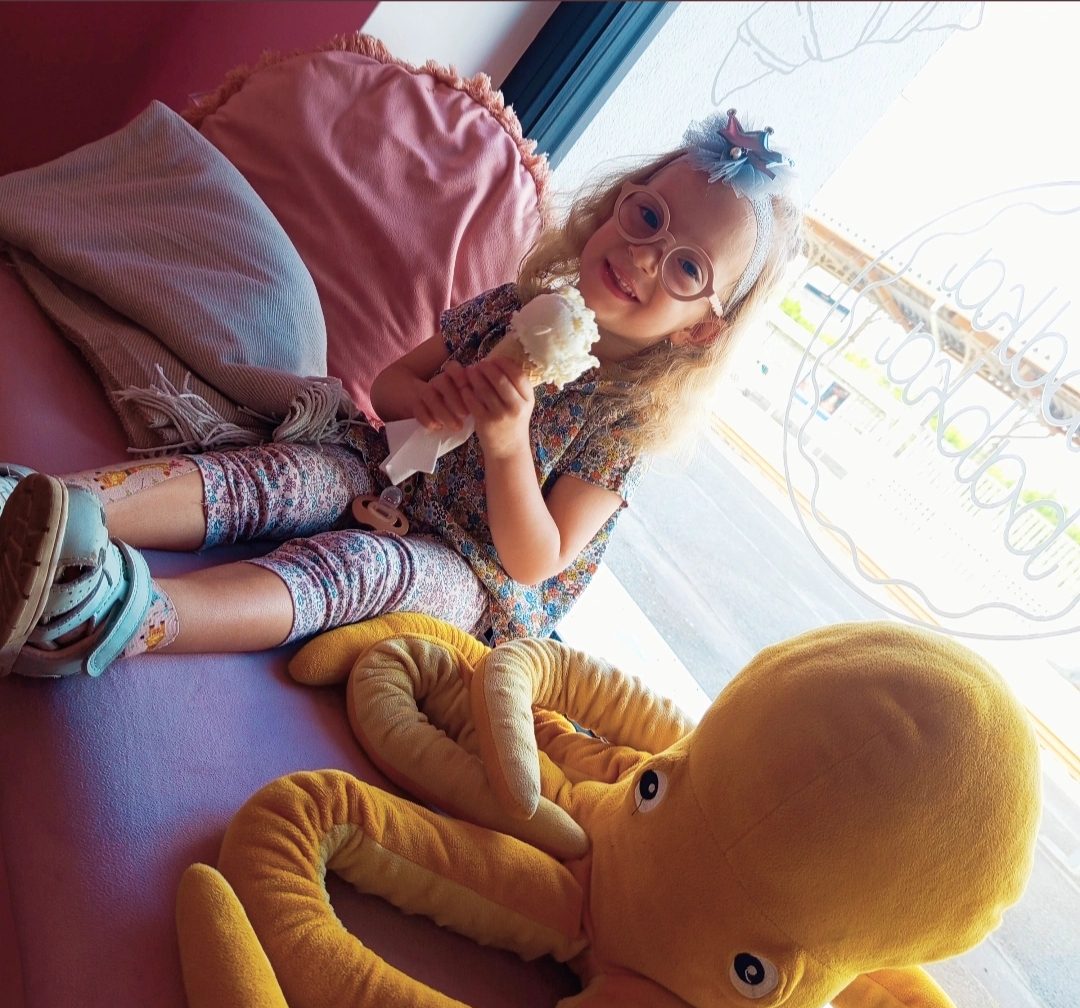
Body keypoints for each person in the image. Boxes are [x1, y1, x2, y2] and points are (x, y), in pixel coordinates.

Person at [0, 110, 801, 678]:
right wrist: (432, 396)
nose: (645, 255)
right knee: (283, 472)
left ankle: (118, 615)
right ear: (611, 206)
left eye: (687, 267)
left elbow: (534, 561)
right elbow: (388, 389)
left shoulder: (621, 429)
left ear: (700, 331)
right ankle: (45, 504)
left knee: (360, 567)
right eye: (646, 215)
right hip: (384, 470)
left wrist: (507, 447)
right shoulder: (516, 308)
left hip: (464, 572)